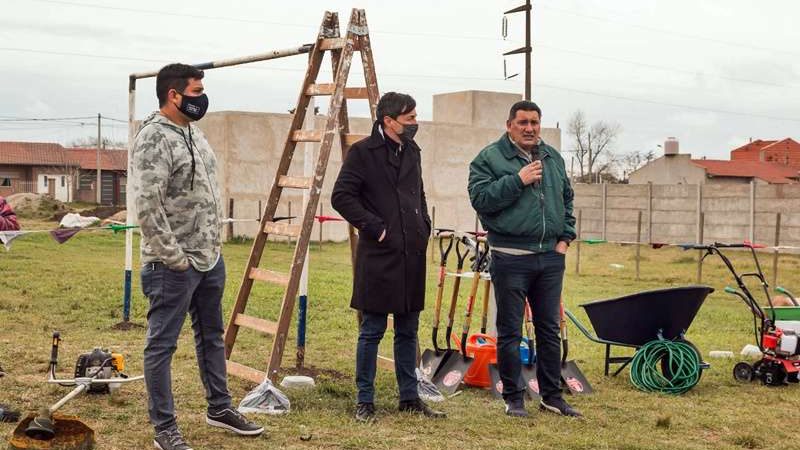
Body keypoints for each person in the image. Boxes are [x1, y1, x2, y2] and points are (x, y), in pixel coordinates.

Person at [130, 63, 263, 450]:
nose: (201, 98)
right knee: (161, 346)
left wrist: (212, 249)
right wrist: (174, 257)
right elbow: (147, 206)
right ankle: (165, 428)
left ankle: (219, 408)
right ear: (174, 95)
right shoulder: (154, 138)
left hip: (209, 258)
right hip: (172, 264)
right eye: (195, 91)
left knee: (211, 336)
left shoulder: (194, 133)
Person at [332, 92, 445, 423]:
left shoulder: (412, 151)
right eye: (409, 118)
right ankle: (364, 401)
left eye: (415, 116)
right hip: (379, 255)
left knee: (408, 330)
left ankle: (409, 397)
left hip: (412, 253)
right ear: (388, 121)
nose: (414, 123)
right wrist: (376, 228)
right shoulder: (362, 153)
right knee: (373, 329)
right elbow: (341, 197)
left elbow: (418, 192)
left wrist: (424, 225)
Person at [468, 100, 581, 418]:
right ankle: (514, 397)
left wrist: (565, 239)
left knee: (548, 329)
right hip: (511, 258)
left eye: (534, 122)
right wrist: (517, 180)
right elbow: (481, 200)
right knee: (509, 330)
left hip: (550, 258)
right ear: (509, 125)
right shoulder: (489, 159)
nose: (530, 128)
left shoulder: (552, 157)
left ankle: (551, 396)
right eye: (523, 123)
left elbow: (567, 198)